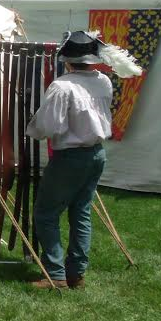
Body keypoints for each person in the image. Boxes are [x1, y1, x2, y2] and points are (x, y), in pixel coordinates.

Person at [24, 30, 139, 289]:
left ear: (67, 59)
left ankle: (55, 273)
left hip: (71, 157)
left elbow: (48, 127)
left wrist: (31, 126)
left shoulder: (62, 86)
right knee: (81, 212)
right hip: (96, 155)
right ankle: (76, 273)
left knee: (46, 213)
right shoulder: (102, 81)